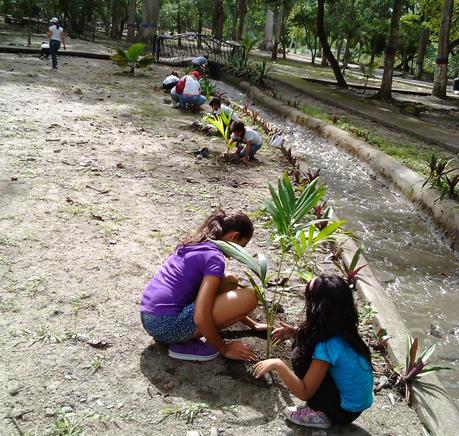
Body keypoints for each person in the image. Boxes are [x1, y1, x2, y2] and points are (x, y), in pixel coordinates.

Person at [140, 209, 266, 362]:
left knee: (230, 280)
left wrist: (254, 325)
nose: (239, 253)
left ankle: (181, 336)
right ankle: (181, 342)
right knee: (251, 296)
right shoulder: (215, 258)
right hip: (167, 326)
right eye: (242, 246)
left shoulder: (197, 242)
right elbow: (200, 316)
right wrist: (224, 349)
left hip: (150, 318)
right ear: (235, 236)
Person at [253, 275, 374, 429]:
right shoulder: (346, 331)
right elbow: (316, 337)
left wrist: (278, 364)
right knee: (304, 343)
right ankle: (325, 406)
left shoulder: (326, 346)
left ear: (317, 308)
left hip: (341, 412)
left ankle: (321, 415)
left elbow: (304, 393)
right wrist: (295, 332)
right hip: (355, 407)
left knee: (299, 355)